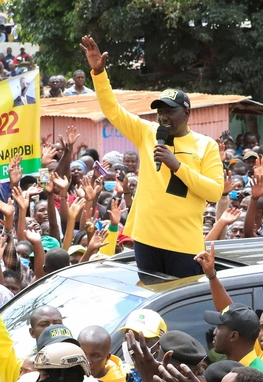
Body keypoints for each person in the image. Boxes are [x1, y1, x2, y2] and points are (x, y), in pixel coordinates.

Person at [82, 36, 224, 277]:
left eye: (170, 111)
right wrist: (99, 73)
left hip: (184, 243)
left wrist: (178, 166)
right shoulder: (147, 133)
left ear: (186, 113)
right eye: (160, 112)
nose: (163, 117)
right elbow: (113, 111)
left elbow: (214, 192)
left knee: (180, 305)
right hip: (146, 239)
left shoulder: (206, 145)